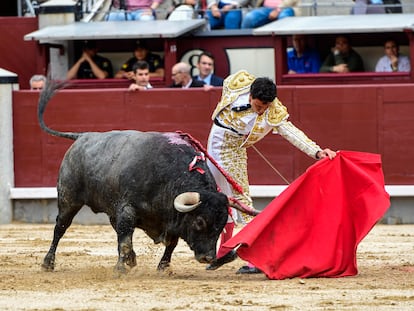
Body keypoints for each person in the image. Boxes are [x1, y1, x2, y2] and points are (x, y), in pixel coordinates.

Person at [205, 70, 336, 274]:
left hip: (233, 152)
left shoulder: (273, 111)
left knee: (241, 202)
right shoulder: (235, 83)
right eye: (258, 106)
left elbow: (292, 132)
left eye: (264, 107)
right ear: (250, 94)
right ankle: (224, 251)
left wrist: (317, 152)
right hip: (213, 143)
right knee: (218, 197)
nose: (261, 111)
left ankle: (257, 258)